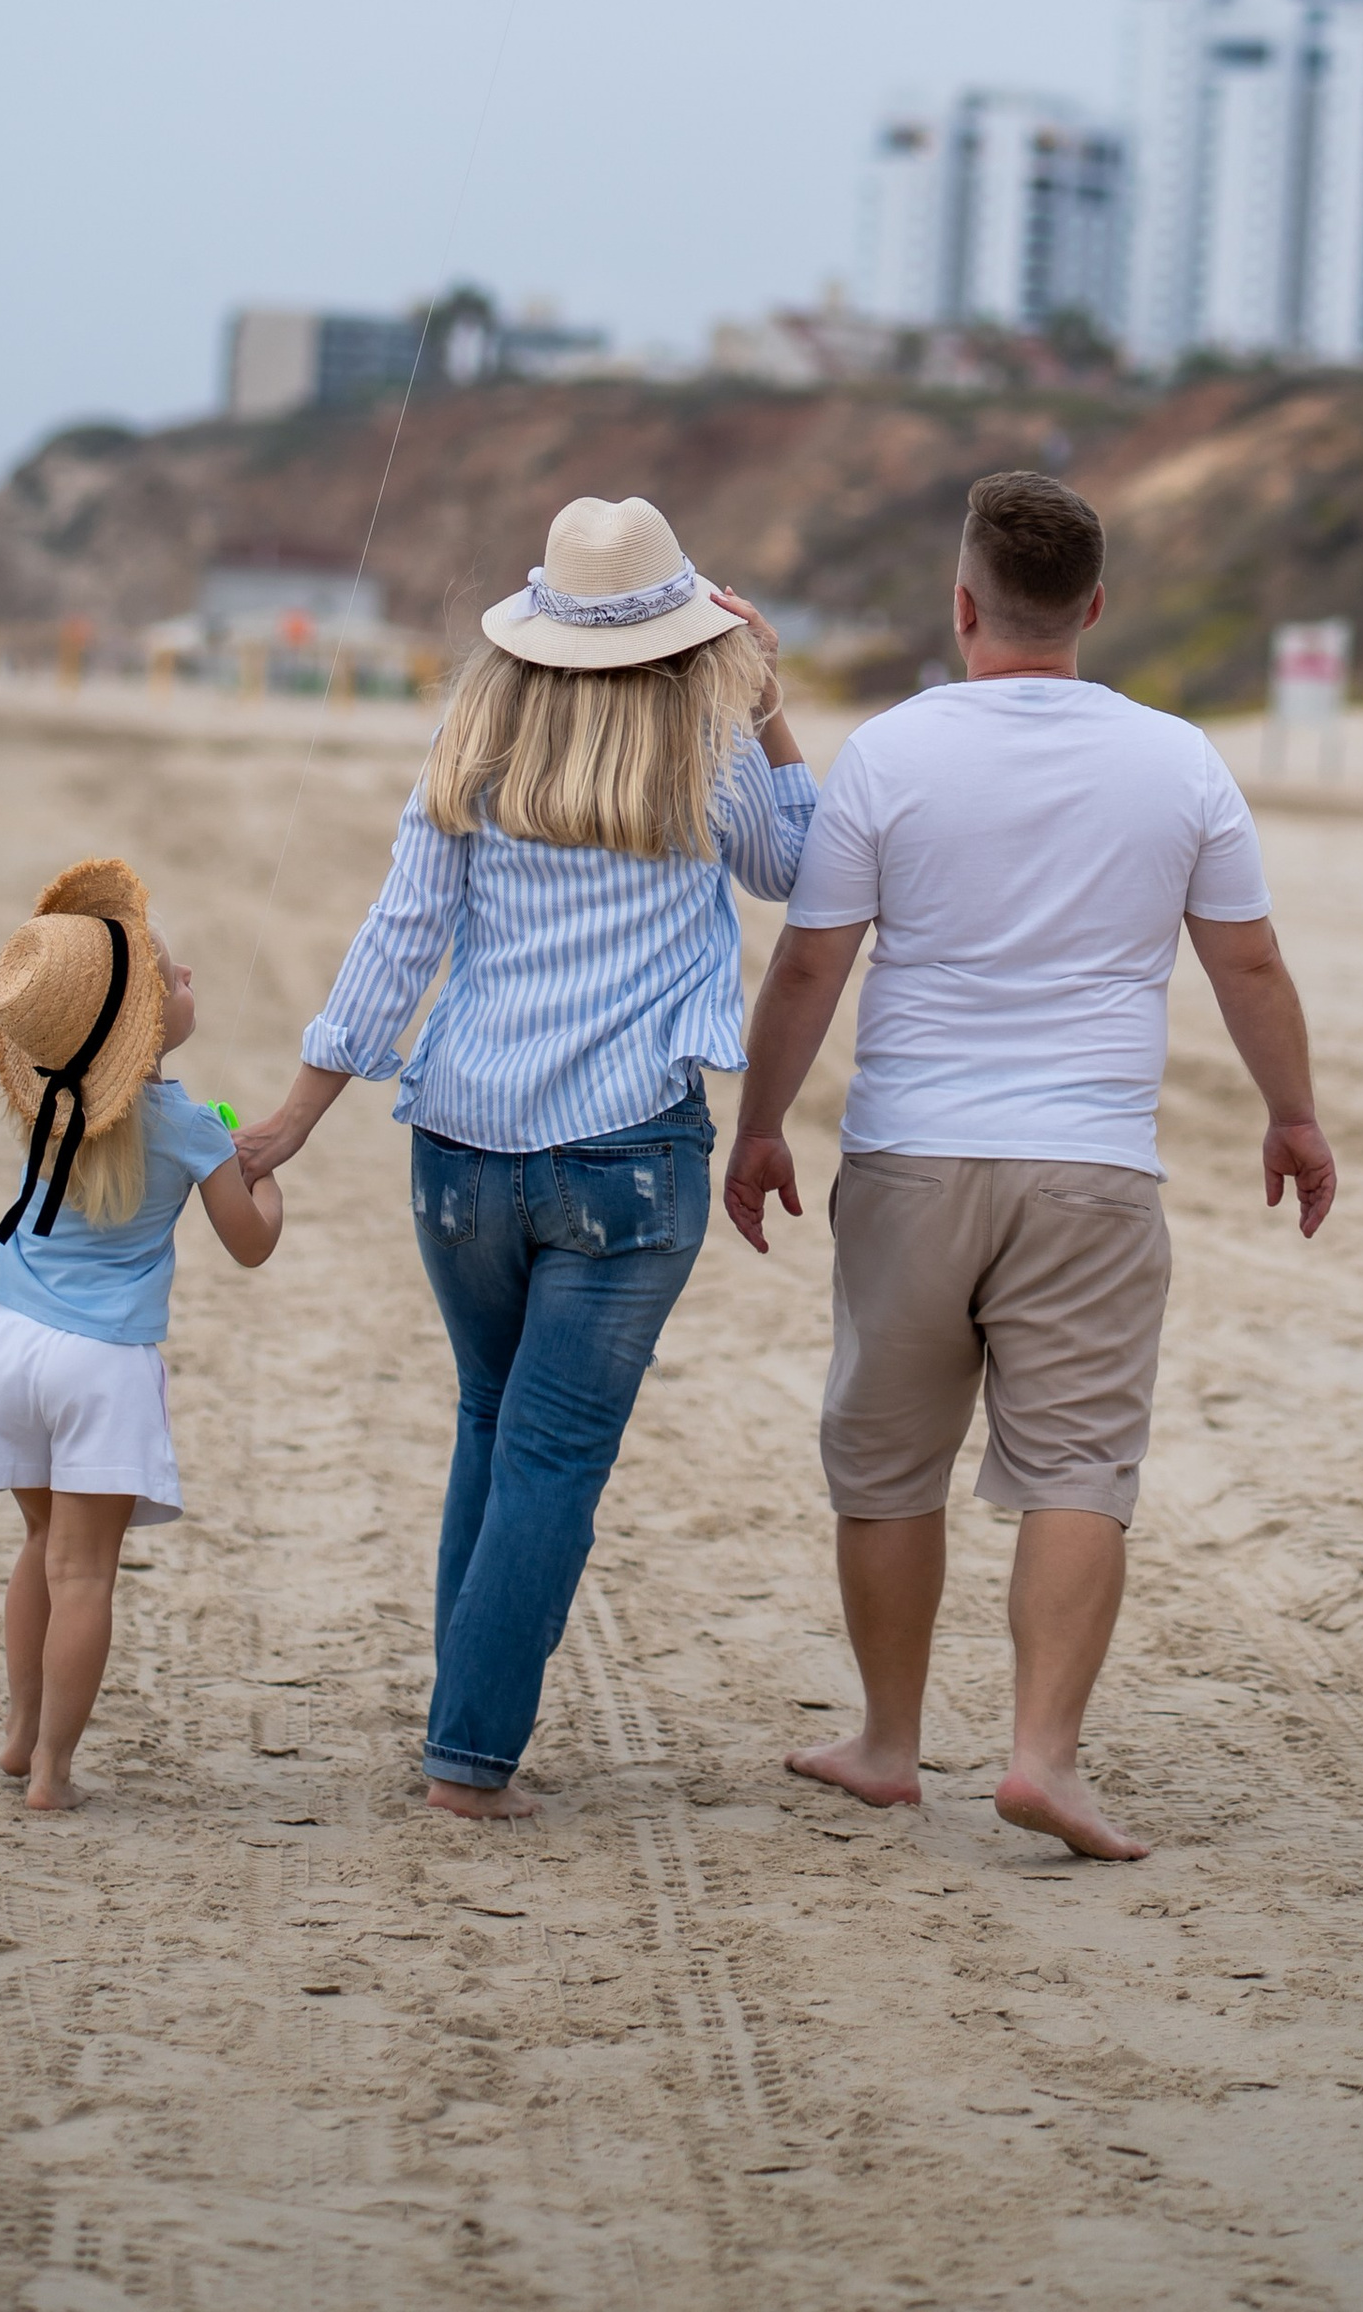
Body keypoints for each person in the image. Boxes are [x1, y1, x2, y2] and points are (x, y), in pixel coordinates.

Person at [723, 469, 1336, 1861]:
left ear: (962, 605)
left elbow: (816, 960)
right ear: (1095, 608)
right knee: (1077, 1469)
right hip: (1094, 1168)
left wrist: (760, 1125)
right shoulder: (1179, 759)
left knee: (886, 1461)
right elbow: (1246, 958)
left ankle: (887, 1743)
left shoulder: (891, 751)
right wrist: (1292, 1114)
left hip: (914, 1158)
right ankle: (1043, 1757)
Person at [234, 497, 812, 1820]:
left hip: (459, 1150)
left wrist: (296, 1116)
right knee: (549, 1452)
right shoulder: (711, 749)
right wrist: (771, 702)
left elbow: (397, 943)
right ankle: (469, 1761)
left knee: (494, 1427)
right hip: (626, 1158)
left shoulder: (473, 741)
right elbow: (803, 866)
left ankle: (464, 1725)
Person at [0, 855, 282, 1811]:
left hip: (8, 1343)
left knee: (37, 1546)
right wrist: (257, 1167)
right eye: (174, 979)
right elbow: (251, 1244)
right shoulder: (187, 1126)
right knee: (85, 1570)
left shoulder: (45, 1106)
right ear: (146, 1030)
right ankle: (56, 1773)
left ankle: (20, 1733)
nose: (190, 981)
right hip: (99, 1365)